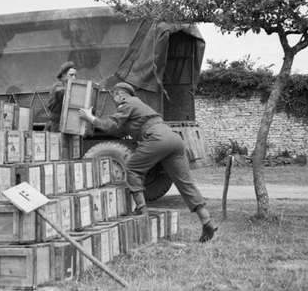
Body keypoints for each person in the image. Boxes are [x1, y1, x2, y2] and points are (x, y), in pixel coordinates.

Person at [78, 82, 218, 243]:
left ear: (120, 94)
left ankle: (142, 213)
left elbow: (111, 124)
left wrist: (90, 118)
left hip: (156, 139)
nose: (114, 99)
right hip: (174, 139)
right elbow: (117, 129)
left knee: (133, 169)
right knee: (185, 183)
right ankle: (207, 221)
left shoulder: (127, 103)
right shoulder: (140, 106)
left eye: (114, 96)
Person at [46, 61, 77, 132]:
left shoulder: (67, 85)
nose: (74, 78)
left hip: (65, 124)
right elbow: (58, 91)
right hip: (56, 126)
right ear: (63, 75)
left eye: (75, 75)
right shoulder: (58, 85)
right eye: (71, 75)